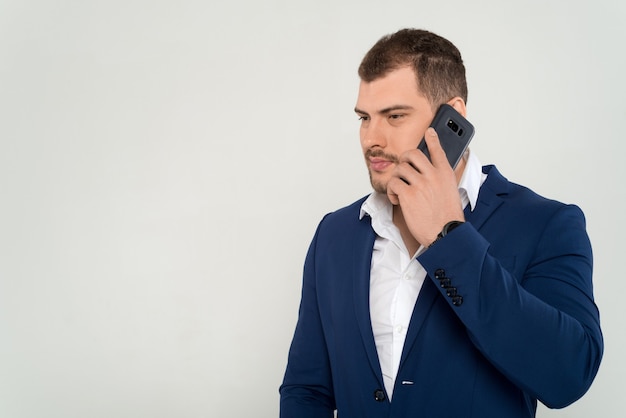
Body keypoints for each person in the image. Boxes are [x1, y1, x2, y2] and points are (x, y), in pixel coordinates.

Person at [279, 28, 603, 418]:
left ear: (453, 118)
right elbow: (307, 389)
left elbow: (567, 375)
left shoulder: (546, 223)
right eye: (365, 117)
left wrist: (448, 235)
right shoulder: (335, 233)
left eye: (394, 116)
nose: (371, 138)